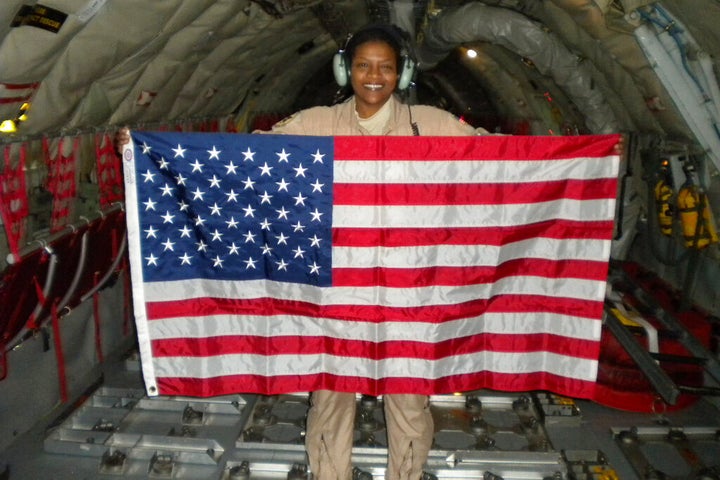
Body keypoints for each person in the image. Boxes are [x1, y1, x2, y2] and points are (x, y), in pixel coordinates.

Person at [262, 24, 487, 480]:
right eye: (363, 65)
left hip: (406, 287)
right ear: (346, 70)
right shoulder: (314, 123)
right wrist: (146, 152)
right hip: (339, 287)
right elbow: (247, 153)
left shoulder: (433, 124)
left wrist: (586, 155)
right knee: (331, 397)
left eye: (386, 66)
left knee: (408, 399)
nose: (374, 76)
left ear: (401, 74)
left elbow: (502, 156)